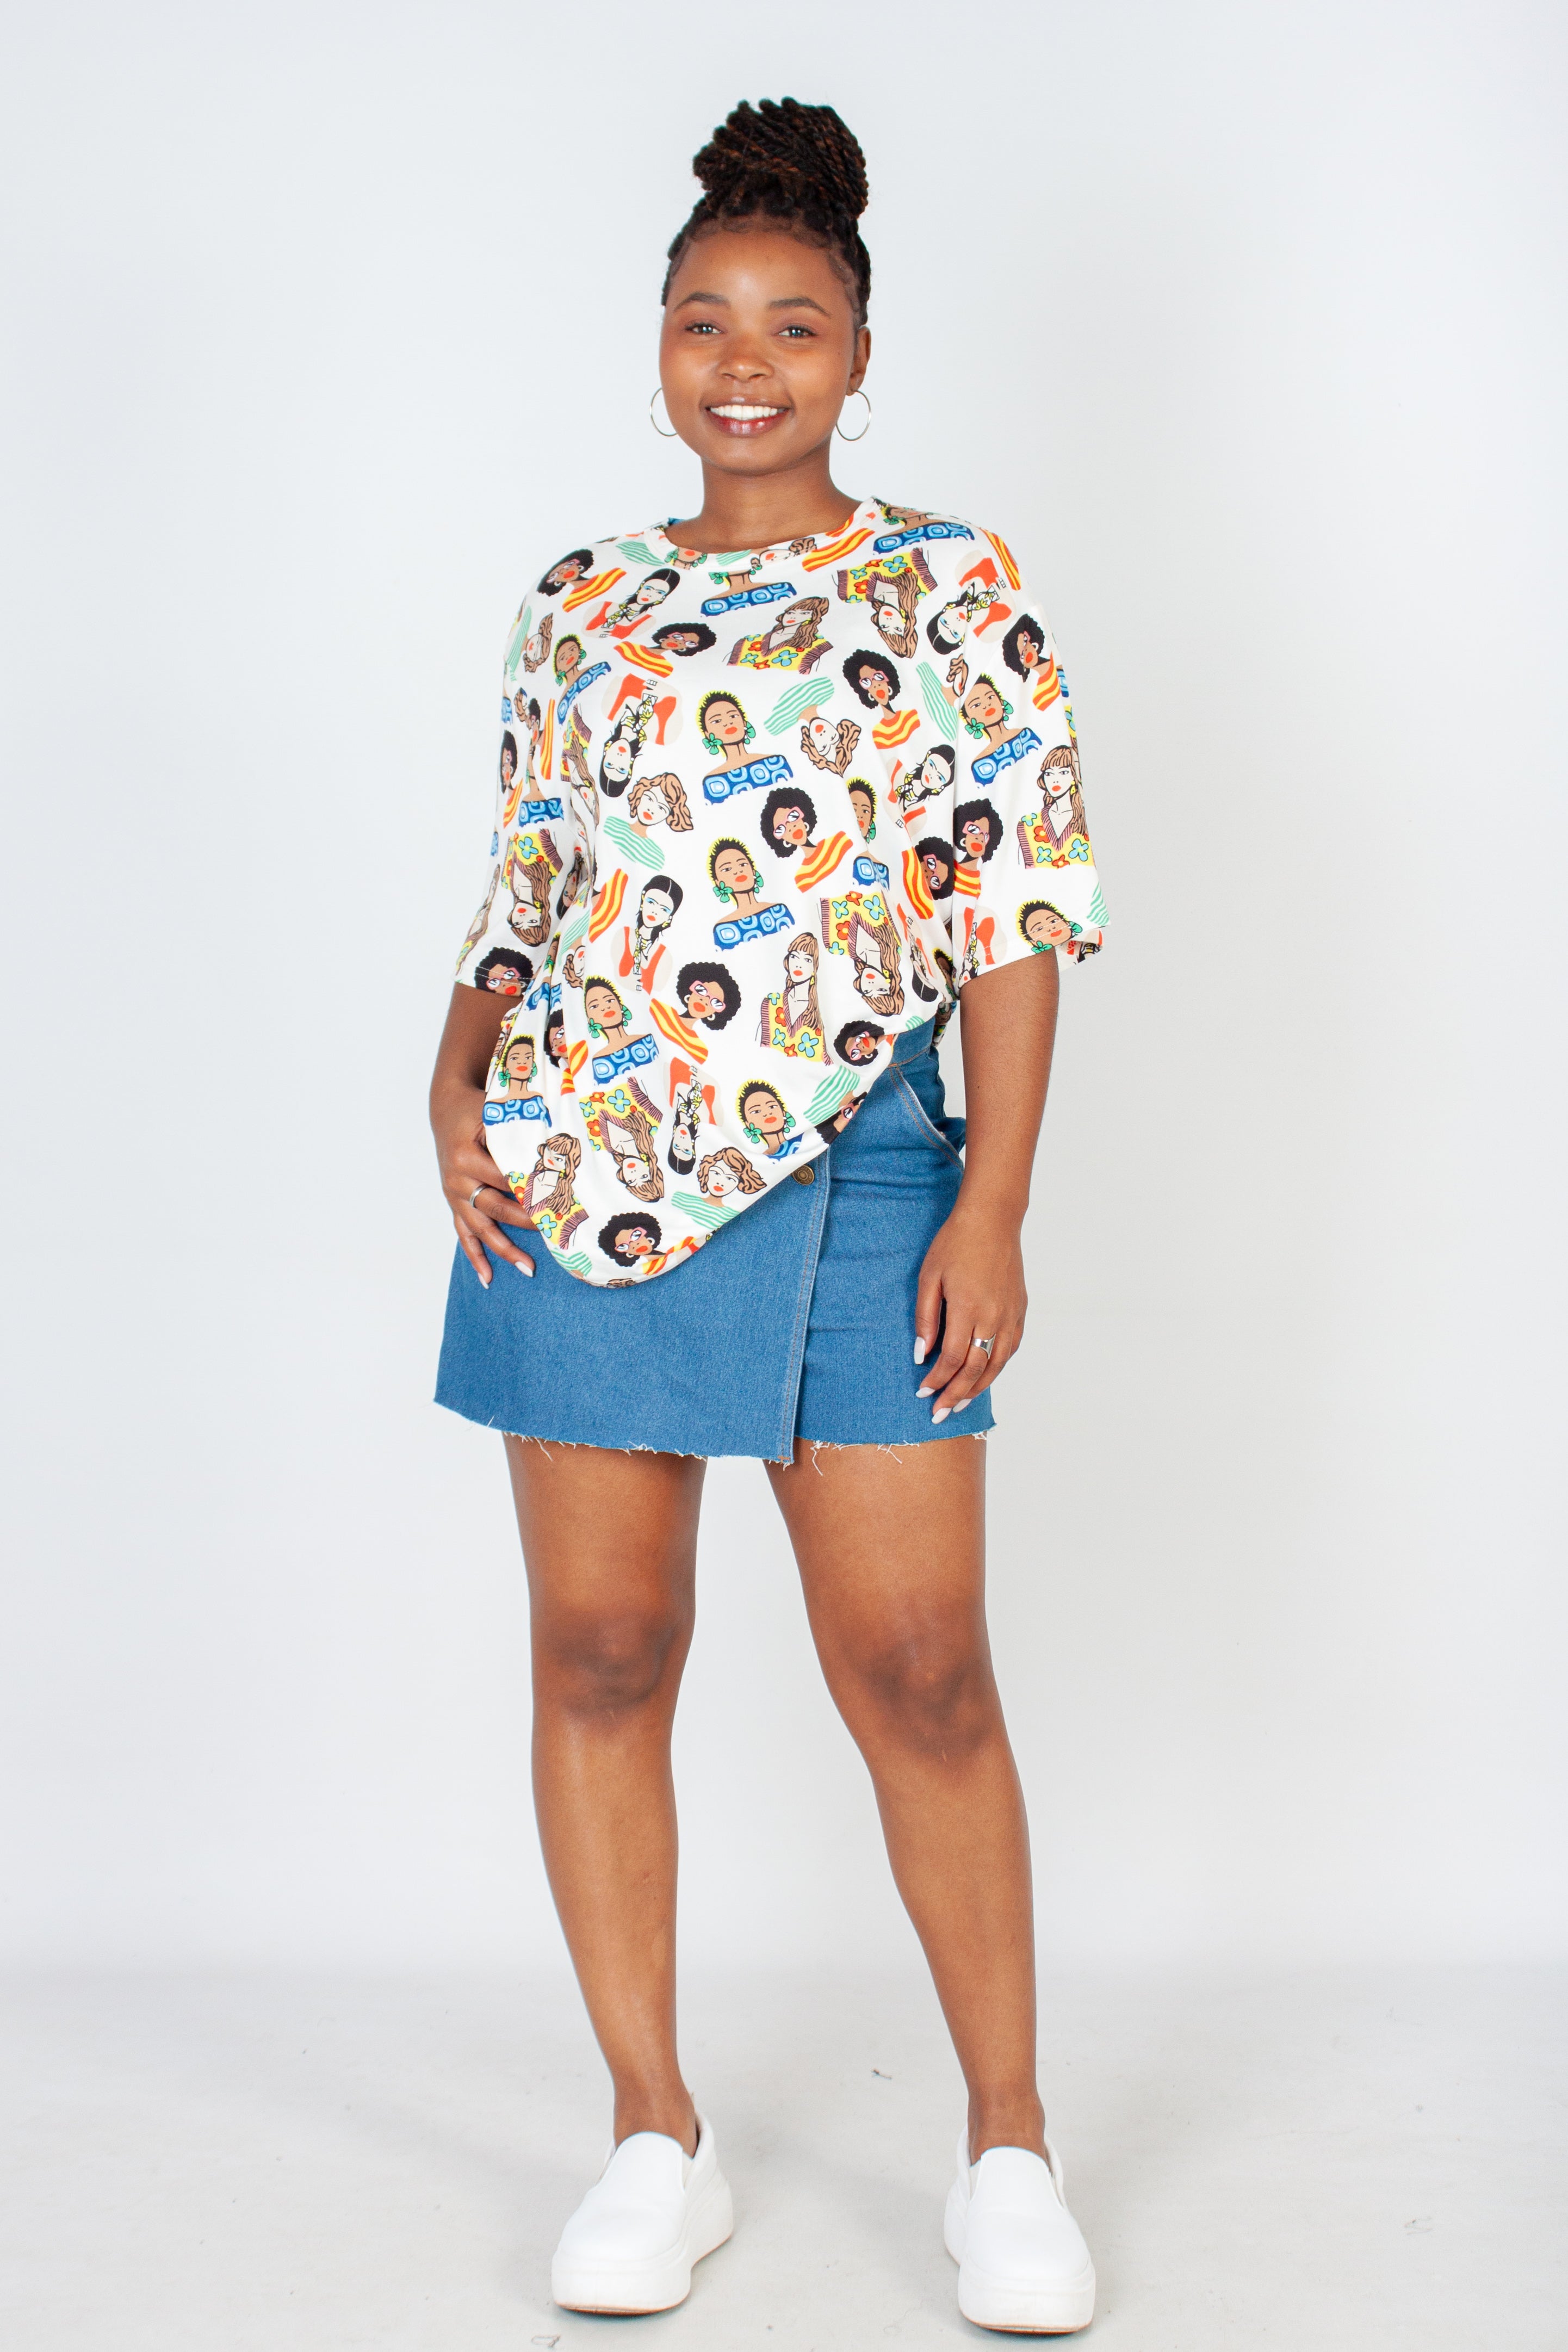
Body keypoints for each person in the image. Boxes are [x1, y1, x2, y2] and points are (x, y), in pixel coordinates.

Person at [427, 95, 1108, 2335]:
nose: (745, 361)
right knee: (602, 1650)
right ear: (657, 343)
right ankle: (656, 2130)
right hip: (576, 1171)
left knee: (918, 1667)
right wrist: (451, 1070)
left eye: (792, 324)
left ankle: (1005, 2144)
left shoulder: (953, 586)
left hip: (862, 1167)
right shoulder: (579, 602)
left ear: (858, 353)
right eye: (704, 320)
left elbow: (1013, 910)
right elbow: (531, 883)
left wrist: (991, 1197)